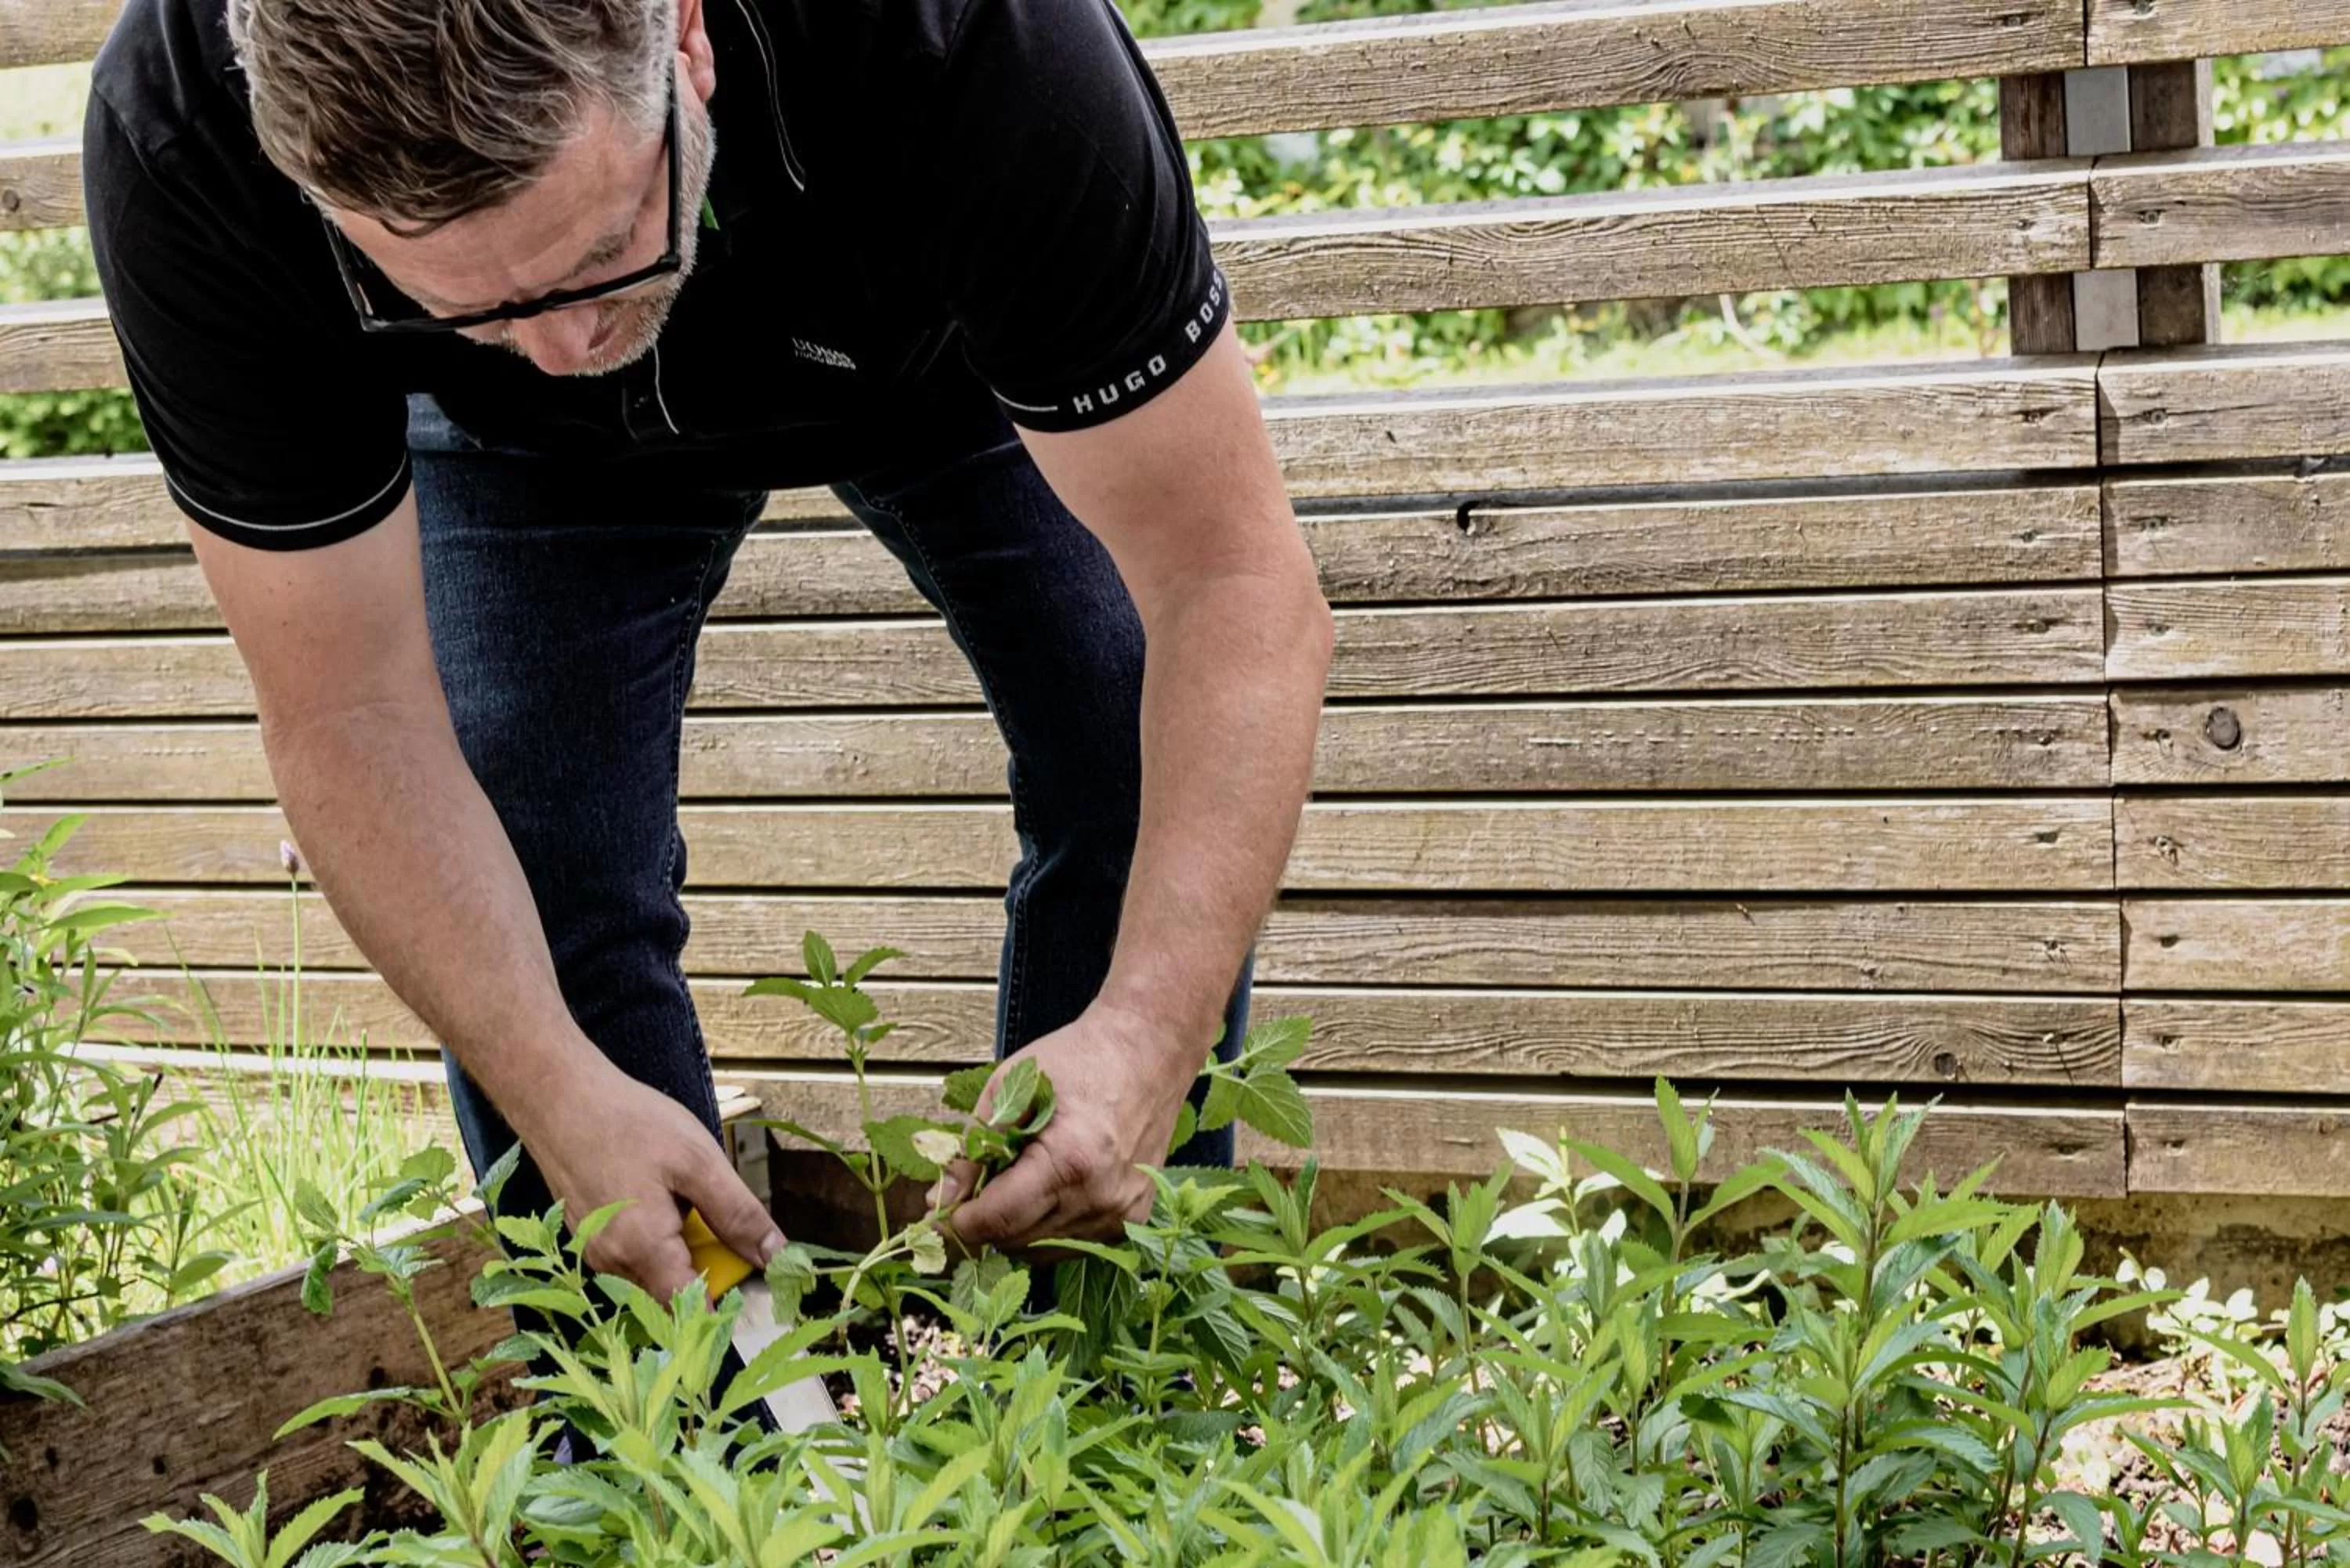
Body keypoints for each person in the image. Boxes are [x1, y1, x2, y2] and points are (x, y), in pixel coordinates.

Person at [82, 0, 1333, 1302]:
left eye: (602, 244)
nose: (567, 347)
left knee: (1129, 706)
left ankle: (1103, 1387)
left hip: (932, 317)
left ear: (682, 35)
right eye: (469, 297)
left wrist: (1146, 1038)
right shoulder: (182, 136)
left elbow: (1230, 581)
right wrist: (559, 1093)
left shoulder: (969, 38)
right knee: (527, 852)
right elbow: (347, 715)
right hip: (518, 457)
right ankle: (683, 1445)